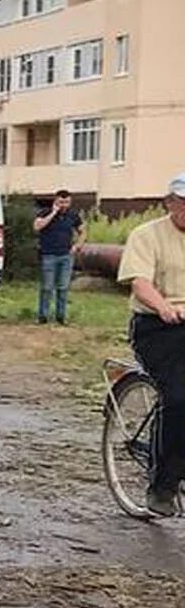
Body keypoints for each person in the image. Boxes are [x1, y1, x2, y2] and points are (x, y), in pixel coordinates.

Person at [118, 172, 185, 516]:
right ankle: (162, 485)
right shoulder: (147, 235)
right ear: (170, 203)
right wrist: (163, 307)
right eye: (183, 202)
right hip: (158, 327)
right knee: (178, 397)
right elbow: (140, 282)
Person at [35, 190, 86, 325]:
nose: (64, 205)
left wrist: (77, 245)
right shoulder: (44, 212)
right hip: (48, 255)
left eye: (67, 202)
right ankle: (43, 316)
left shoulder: (73, 215)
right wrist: (53, 213)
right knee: (47, 287)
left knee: (63, 287)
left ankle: (61, 317)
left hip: (66, 255)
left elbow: (82, 231)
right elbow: (37, 226)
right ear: (55, 201)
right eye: (61, 202)